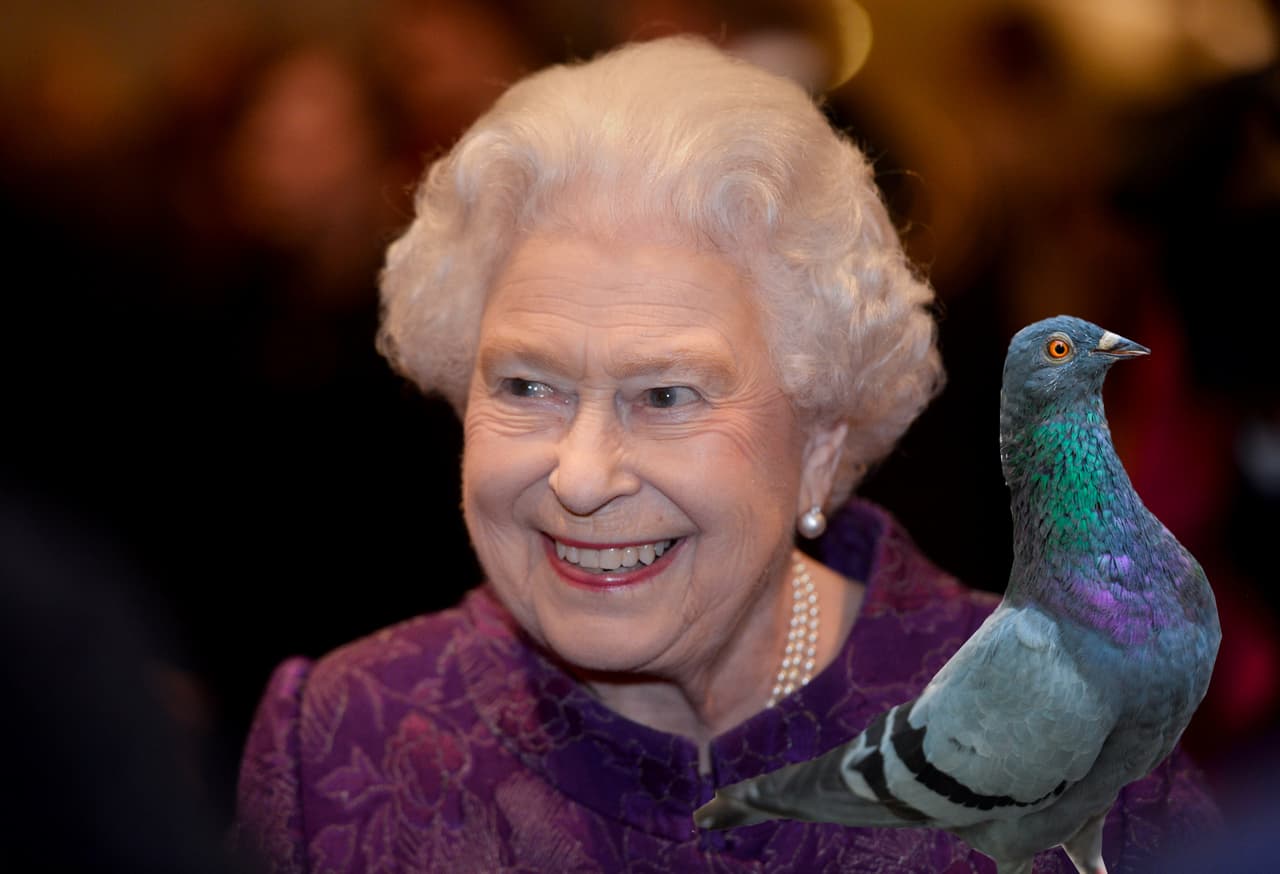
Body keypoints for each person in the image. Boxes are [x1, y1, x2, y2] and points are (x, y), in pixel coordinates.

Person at [232, 36, 1217, 872]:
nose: (580, 477)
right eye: (525, 387)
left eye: (665, 396)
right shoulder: (340, 746)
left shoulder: (1089, 734)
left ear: (819, 442)